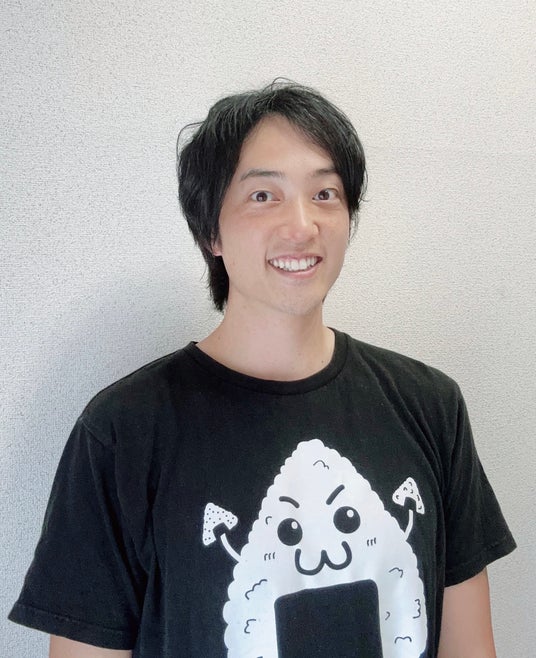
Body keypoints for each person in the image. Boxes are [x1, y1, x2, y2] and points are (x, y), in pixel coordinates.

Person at [10, 82, 515, 657]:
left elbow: (469, 647)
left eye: (325, 193)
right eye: (263, 195)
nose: (302, 225)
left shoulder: (430, 407)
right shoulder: (123, 431)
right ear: (211, 231)